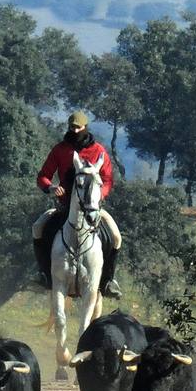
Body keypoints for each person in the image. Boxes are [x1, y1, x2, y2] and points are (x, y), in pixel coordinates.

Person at [32, 110, 122, 297]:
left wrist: (99, 196)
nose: (74, 131)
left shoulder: (99, 151)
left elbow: (108, 180)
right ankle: (43, 274)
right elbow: (43, 176)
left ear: (85, 128)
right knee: (38, 228)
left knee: (115, 237)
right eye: (71, 127)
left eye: (77, 127)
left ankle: (108, 281)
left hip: (93, 209)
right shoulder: (60, 149)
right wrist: (51, 188)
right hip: (64, 207)